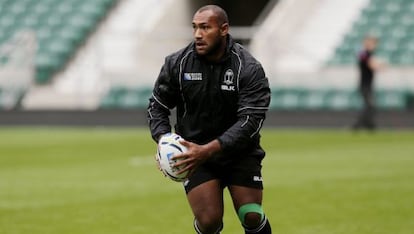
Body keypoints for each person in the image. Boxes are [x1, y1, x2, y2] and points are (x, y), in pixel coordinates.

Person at [147, 5, 272, 234]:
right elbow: (157, 105)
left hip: (239, 153)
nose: (197, 34)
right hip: (194, 154)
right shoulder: (177, 63)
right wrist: (164, 141)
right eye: (195, 27)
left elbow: (250, 121)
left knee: (251, 214)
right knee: (209, 221)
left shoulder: (248, 67)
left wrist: (209, 149)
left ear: (224, 29)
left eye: (205, 27)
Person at [353, 35, 383, 130]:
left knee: (370, 106)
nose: (373, 45)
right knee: (370, 105)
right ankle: (359, 126)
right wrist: (380, 65)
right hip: (364, 85)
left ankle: (368, 125)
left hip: (368, 84)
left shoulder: (369, 54)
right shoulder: (364, 54)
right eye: (371, 43)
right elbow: (372, 65)